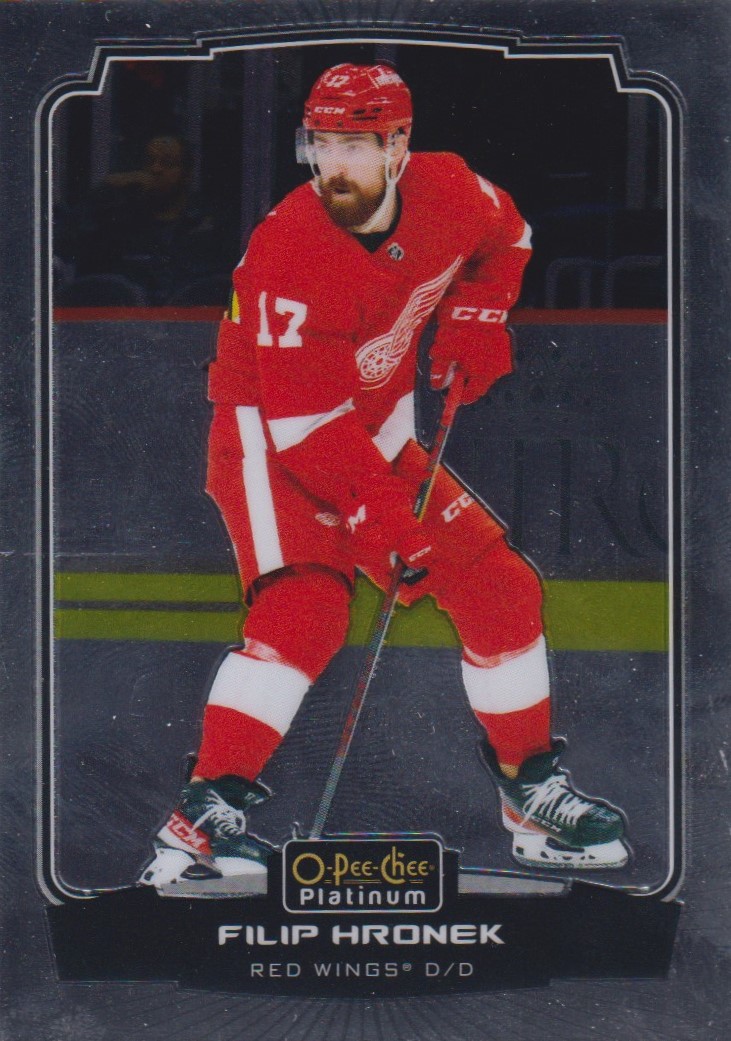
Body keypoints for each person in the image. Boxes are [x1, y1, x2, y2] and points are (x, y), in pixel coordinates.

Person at [140, 64, 629, 888]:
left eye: (354, 145)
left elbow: (509, 235)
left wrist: (476, 315)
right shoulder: (293, 246)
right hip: (270, 435)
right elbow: (304, 427)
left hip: (372, 425)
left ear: (398, 144)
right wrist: (379, 514)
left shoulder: (451, 191)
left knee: (501, 590)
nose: (332, 165)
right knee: (307, 608)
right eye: (320, 144)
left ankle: (529, 797)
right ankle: (199, 823)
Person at [56, 134, 234, 305]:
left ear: (187, 174)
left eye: (167, 163)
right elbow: (65, 245)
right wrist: (103, 192)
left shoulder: (209, 224)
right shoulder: (119, 222)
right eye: (149, 162)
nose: (156, 169)